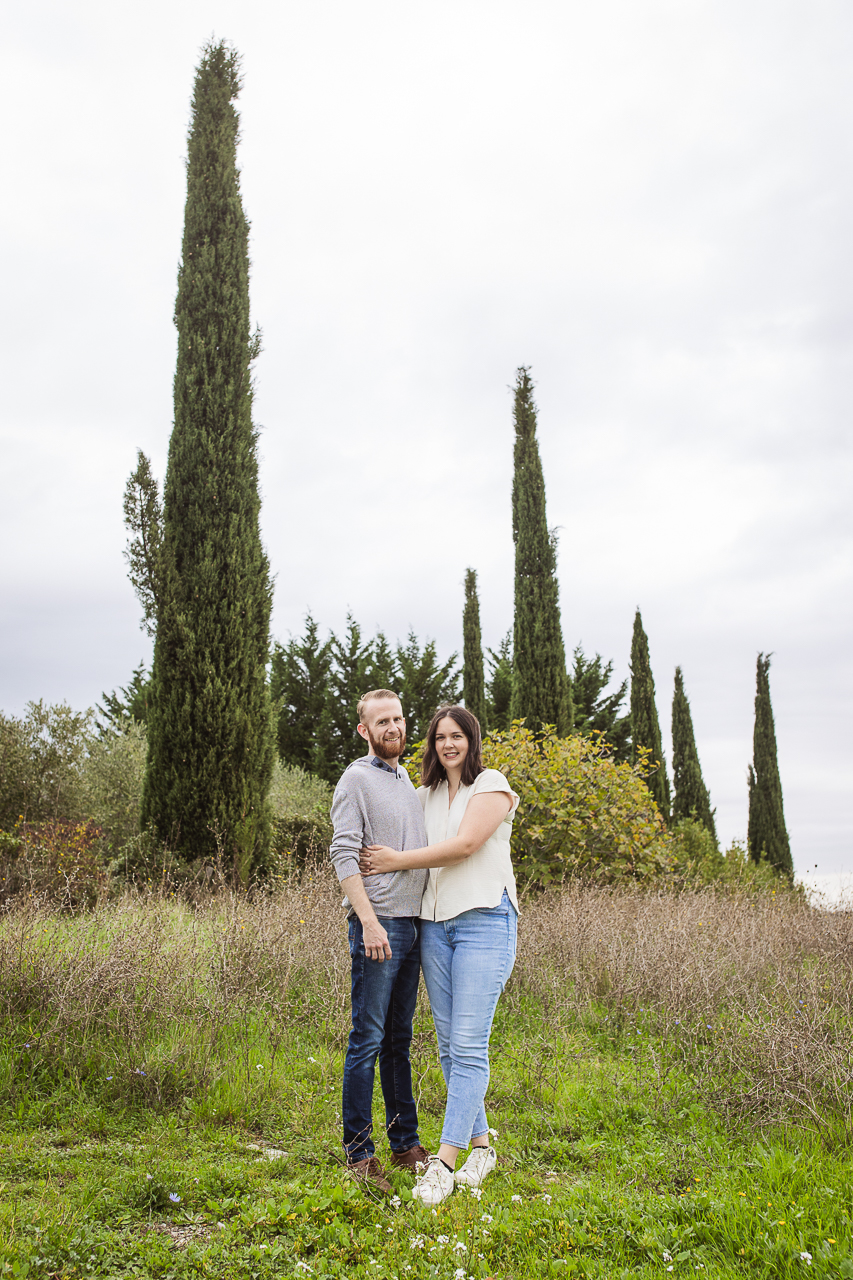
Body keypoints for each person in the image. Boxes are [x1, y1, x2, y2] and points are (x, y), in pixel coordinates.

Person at [360, 704, 519, 1205]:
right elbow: (385, 820)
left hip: (485, 921)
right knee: (451, 1046)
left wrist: (395, 860)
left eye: (458, 736)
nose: (449, 744)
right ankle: (481, 1146)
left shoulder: (491, 784)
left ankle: (443, 1166)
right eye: (440, 737)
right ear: (431, 744)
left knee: (469, 1046)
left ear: (472, 739)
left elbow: (467, 845)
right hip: (434, 926)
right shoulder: (423, 795)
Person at [329, 689, 432, 1194]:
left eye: (398, 718)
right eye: (382, 721)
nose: (393, 727)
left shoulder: (406, 778)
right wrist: (367, 921)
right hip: (379, 926)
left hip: (412, 925)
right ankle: (358, 1153)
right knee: (367, 1039)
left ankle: (405, 1143)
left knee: (399, 1042)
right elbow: (344, 854)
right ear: (363, 730)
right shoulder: (356, 779)